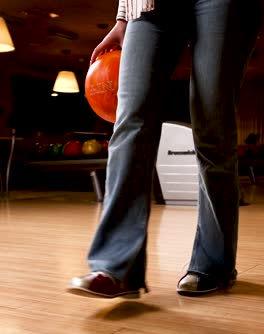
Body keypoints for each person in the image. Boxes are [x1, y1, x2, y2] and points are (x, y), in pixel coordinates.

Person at [68, 0, 261, 298]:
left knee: (212, 125)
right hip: (148, 5)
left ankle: (215, 264)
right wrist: (122, 19)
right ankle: (118, 268)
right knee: (130, 120)